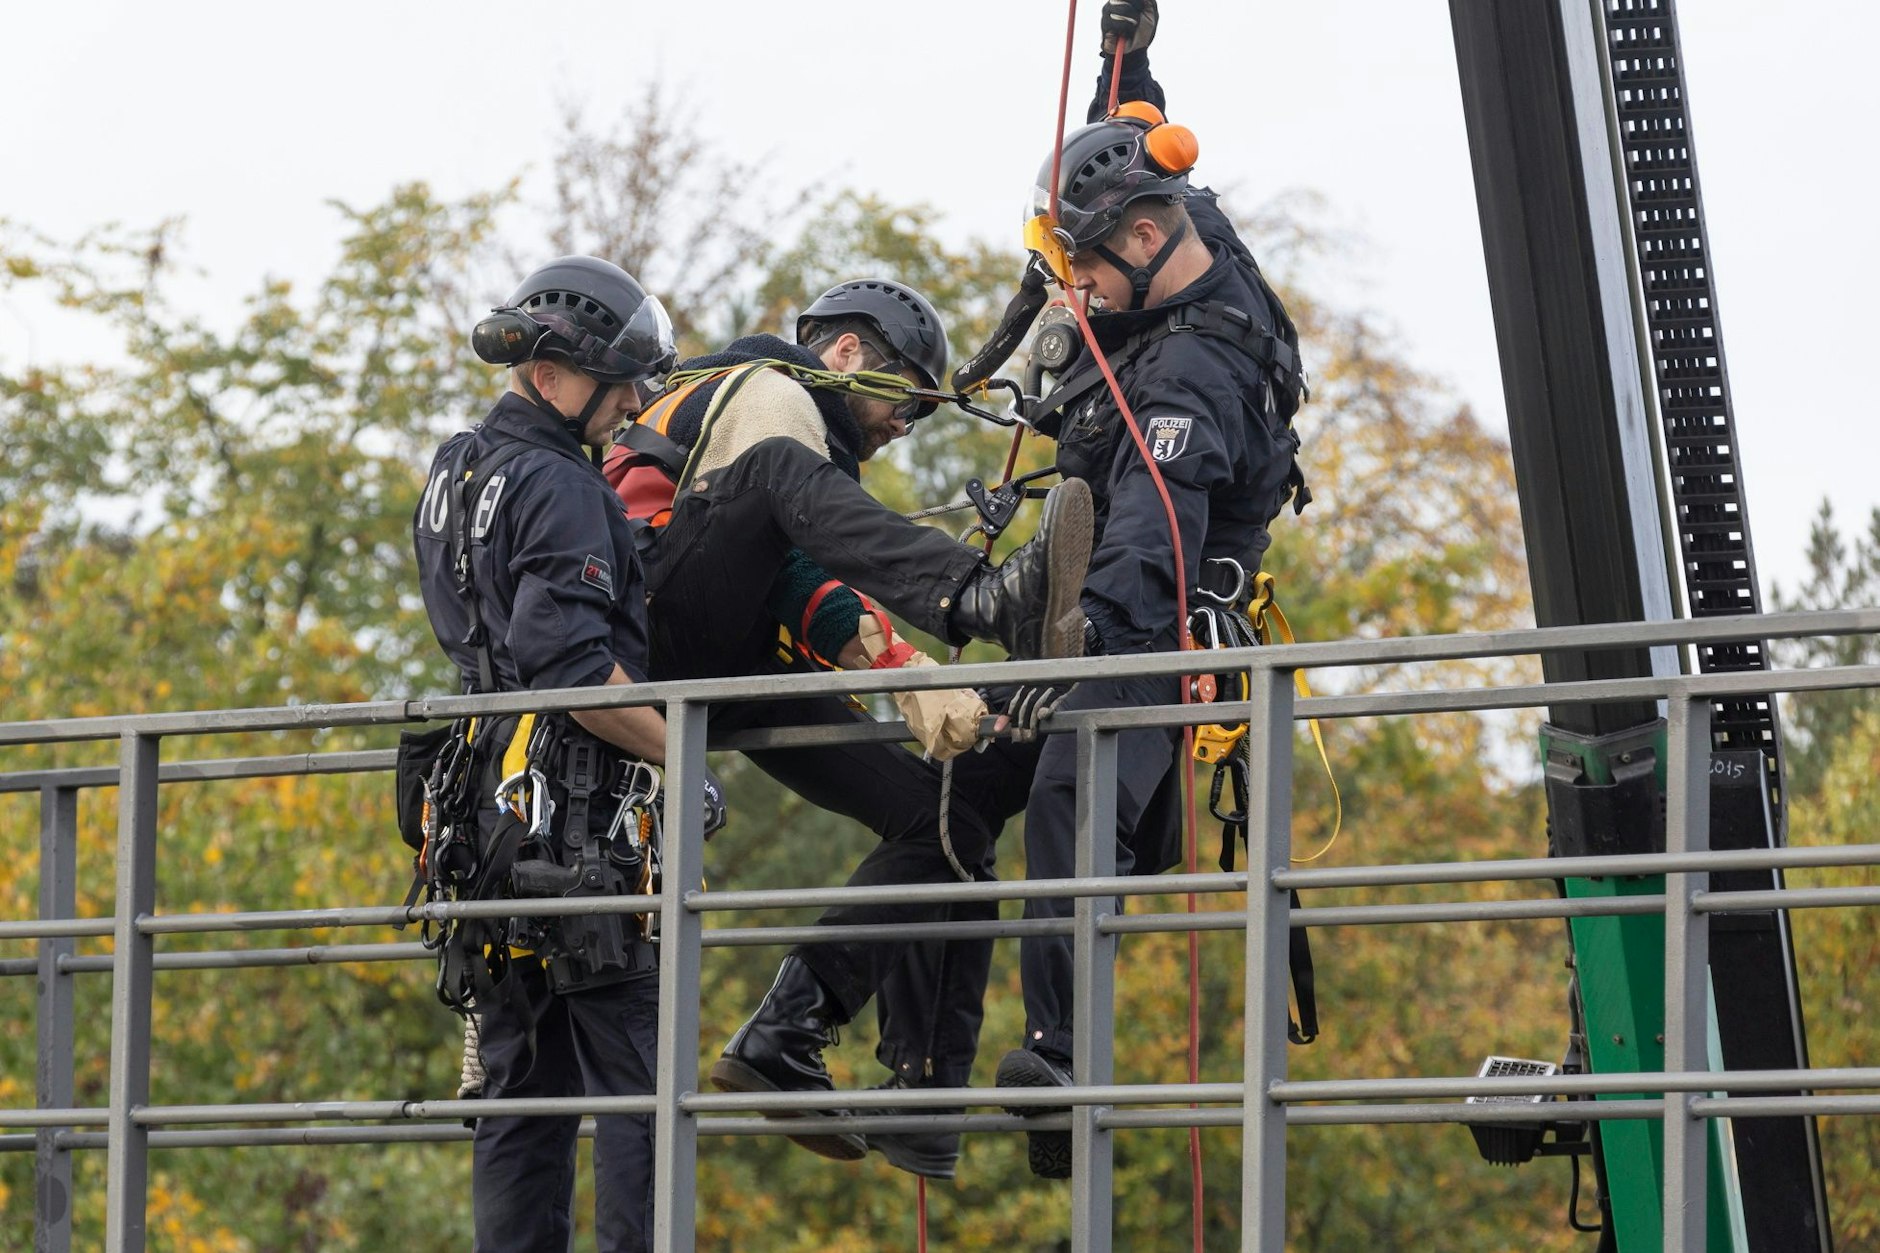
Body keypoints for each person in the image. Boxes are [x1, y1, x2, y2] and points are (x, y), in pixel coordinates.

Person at [869, 0, 1312, 1181]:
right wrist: (1128, 48)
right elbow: (1135, 124)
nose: (1083, 291)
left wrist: (1079, 671)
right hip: (1104, 605)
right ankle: (924, 1070)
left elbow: (1148, 547)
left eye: (1092, 264)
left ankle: (1062, 1061)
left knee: (1078, 788)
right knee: (963, 790)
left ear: (1149, 235)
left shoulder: (1187, 376)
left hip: (1151, 626)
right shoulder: (1182, 223)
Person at [603, 278, 1093, 1172]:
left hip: (719, 655)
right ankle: (977, 595)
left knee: (946, 818)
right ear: (846, 352)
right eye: (905, 392)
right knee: (790, 488)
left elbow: (778, 572)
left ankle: (870, 1065)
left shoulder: (783, 428)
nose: (906, 423)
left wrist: (908, 676)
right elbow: (783, 561)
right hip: (651, 625)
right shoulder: (773, 390)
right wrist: (908, 665)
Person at [414, 255, 720, 1251]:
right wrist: (687, 755)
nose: (633, 402)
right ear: (550, 371)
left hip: (479, 823)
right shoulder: (562, 486)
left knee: (519, 1093)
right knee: (640, 1086)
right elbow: (578, 673)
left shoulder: (456, 468)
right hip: (576, 823)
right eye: (619, 377)